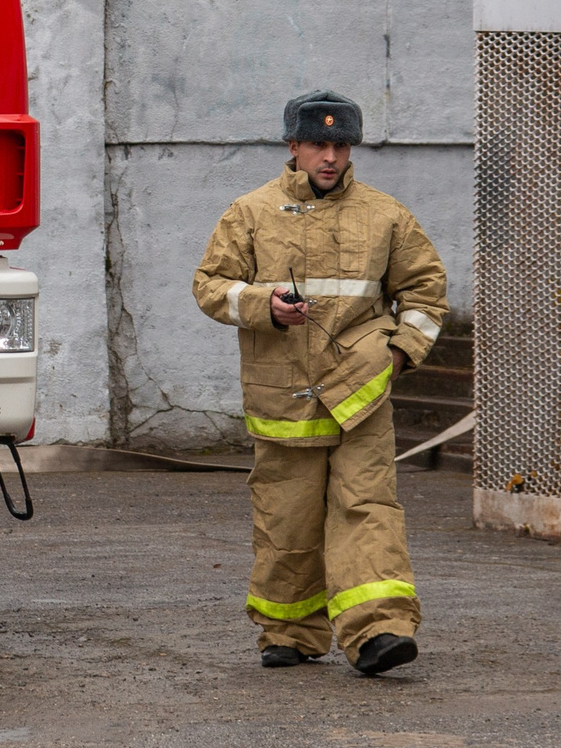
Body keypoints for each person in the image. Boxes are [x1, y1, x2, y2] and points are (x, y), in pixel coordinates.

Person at [192, 89, 448, 676]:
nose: (329, 157)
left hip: (362, 396)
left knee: (368, 508)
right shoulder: (250, 213)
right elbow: (211, 286)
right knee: (287, 518)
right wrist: (263, 305)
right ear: (294, 148)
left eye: (339, 145)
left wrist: (399, 356)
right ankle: (290, 632)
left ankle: (379, 631)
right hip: (282, 398)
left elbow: (426, 293)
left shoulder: (386, 215)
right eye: (317, 145)